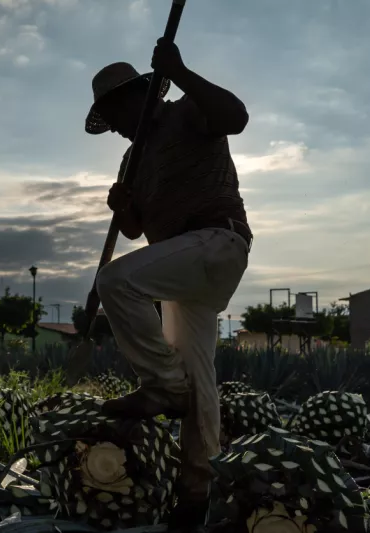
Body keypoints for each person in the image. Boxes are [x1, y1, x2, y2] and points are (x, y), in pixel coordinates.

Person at [85, 38, 253, 531]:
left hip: (217, 240)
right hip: (185, 273)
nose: (116, 127)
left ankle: (161, 386)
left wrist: (179, 70)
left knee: (116, 280)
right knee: (199, 380)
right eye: (110, 121)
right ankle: (198, 491)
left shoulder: (188, 113)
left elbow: (236, 116)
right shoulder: (131, 161)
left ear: (144, 96)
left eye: (117, 113)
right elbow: (137, 231)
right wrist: (123, 206)